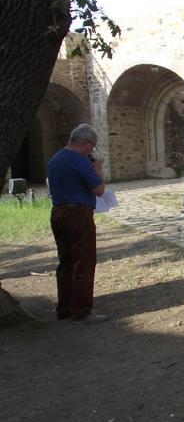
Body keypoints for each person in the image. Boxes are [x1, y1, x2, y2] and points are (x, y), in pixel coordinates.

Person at [47, 124, 108, 324]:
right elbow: (98, 189)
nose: (92, 150)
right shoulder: (79, 160)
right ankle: (81, 311)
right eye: (92, 146)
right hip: (78, 214)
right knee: (84, 261)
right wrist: (97, 168)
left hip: (58, 212)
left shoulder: (55, 159)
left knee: (66, 261)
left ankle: (64, 308)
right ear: (85, 142)